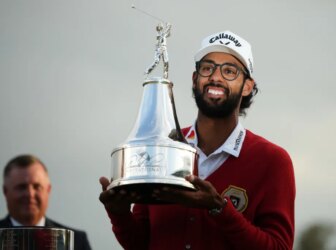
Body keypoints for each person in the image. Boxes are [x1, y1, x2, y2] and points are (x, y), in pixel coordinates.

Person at [99, 30, 296, 249]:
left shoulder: (272, 160)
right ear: (195, 79)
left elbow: (279, 247)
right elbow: (142, 243)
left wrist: (218, 208)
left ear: (247, 86)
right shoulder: (164, 147)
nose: (215, 77)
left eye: (229, 71)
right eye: (207, 68)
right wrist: (119, 214)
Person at [0, 154, 92, 250]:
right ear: (5, 191)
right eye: (21, 187)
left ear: (48, 190)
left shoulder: (76, 241)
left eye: (37, 187)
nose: (30, 194)